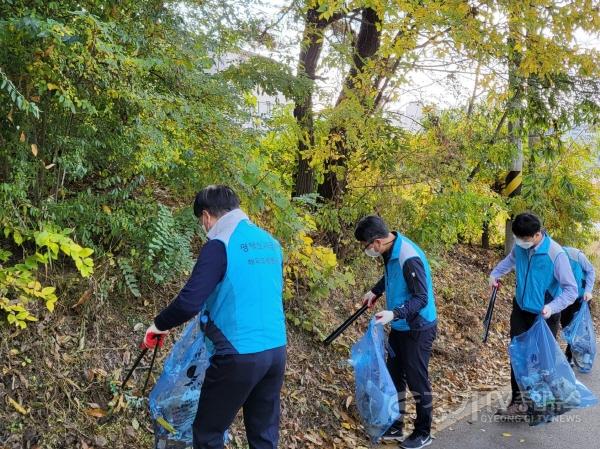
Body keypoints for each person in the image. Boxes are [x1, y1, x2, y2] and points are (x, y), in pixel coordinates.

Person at [144, 185, 287, 449]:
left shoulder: (219, 244)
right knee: (263, 434)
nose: (204, 227)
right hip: (276, 352)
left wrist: (159, 324)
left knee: (208, 432)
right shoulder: (271, 243)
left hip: (237, 354)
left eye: (202, 221)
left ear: (207, 216)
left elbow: (189, 302)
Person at [355, 215, 437, 449]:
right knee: (394, 375)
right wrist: (375, 291)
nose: (367, 250)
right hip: (400, 325)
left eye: (367, 245)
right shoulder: (391, 250)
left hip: (418, 327)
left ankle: (423, 432)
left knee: (417, 380)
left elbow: (421, 297)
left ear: (378, 241)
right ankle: (396, 425)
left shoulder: (408, 256)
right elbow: (391, 276)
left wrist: (395, 314)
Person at [489, 212, 578, 417]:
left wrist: (552, 307)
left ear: (538, 234)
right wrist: (495, 274)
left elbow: (571, 290)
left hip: (544, 315)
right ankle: (518, 403)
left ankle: (543, 402)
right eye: (518, 239)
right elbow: (508, 261)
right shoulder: (520, 246)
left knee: (541, 361)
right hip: (521, 309)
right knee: (518, 355)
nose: (520, 243)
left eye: (525, 239)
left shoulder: (555, 254)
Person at [560, 246, 596, 363]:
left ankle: (571, 355)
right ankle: (573, 351)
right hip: (565, 297)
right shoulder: (554, 259)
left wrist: (588, 290)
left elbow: (591, 271)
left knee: (580, 326)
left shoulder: (576, 255)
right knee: (567, 325)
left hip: (582, 297)